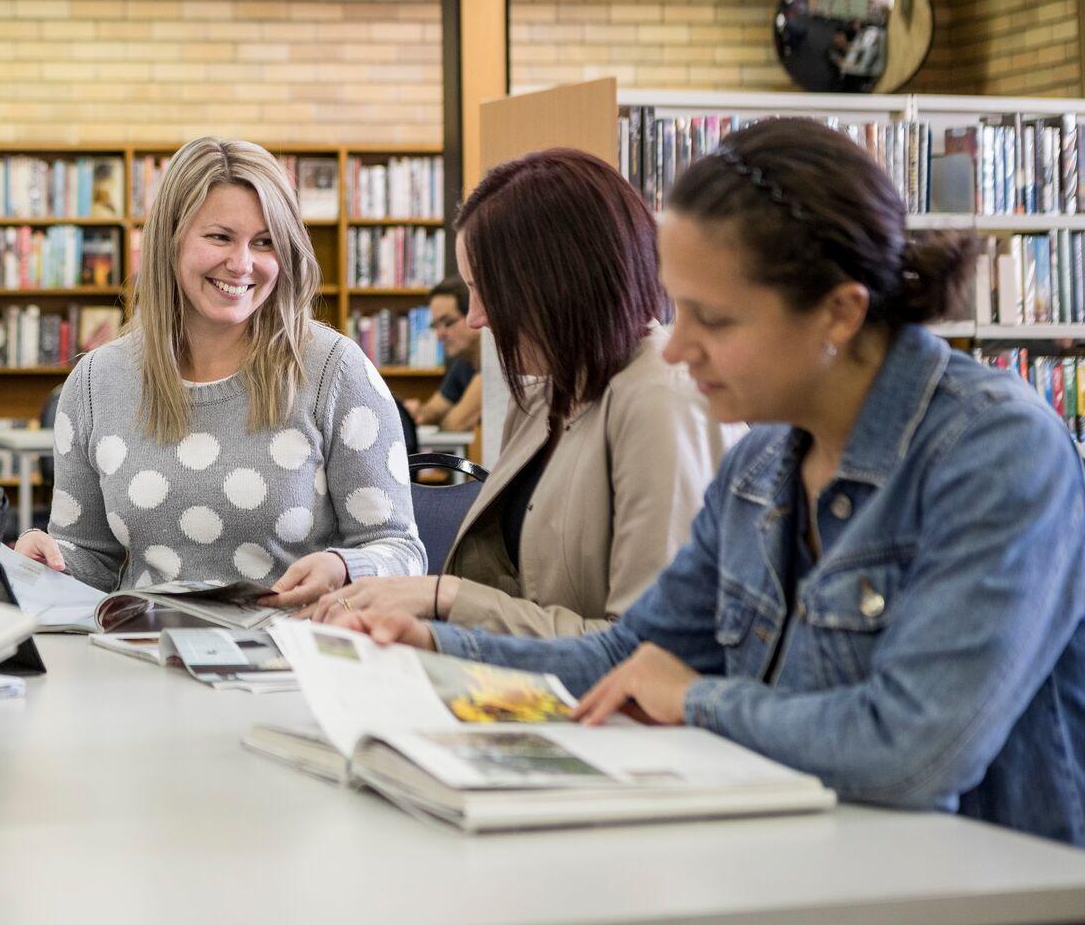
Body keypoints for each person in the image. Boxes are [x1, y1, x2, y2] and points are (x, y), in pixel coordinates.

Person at [340, 118, 1085, 846]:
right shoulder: (762, 466)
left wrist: (698, 700)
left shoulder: (995, 452)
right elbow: (627, 655)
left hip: (981, 885)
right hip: (810, 861)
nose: (676, 350)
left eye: (714, 320)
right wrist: (432, 643)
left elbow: (915, 748)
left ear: (839, 312)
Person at [310, 148, 736, 635]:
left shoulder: (663, 399)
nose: (476, 318)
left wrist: (446, 599)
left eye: (487, 288)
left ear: (558, 281)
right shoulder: (544, 396)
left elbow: (650, 650)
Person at [15, 136, 423, 602]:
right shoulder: (96, 381)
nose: (242, 264)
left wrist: (343, 565)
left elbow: (402, 552)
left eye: (265, 242)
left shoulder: (335, 370)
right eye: (220, 237)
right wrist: (45, 562)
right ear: (170, 241)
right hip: (143, 653)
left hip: (290, 657)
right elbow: (89, 557)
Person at [405, 276, 481, 431]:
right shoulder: (463, 363)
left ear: (474, 315)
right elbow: (432, 412)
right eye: (436, 325)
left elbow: (455, 424)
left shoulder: (497, 363)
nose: (440, 335)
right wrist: (414, 412)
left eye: (447, 323)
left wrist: (438, 419)